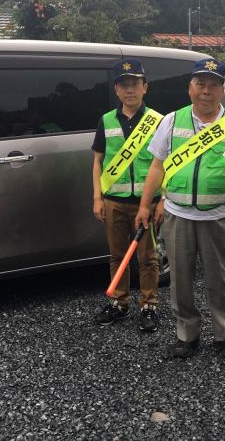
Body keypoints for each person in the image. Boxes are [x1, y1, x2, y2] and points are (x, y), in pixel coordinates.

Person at [135, 58, 225, 361]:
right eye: (200, 83)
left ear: (222, 89)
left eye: (213, 84)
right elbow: (157, 165)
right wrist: (146, 204)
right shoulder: (171, 120)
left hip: (219, 215)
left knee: (220, 278)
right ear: (190, 87)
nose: (206, 90)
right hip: (177, 214)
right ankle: (187, 335)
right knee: (180, 279)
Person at [92, 59, 164, 332]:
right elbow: (98, 161)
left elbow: (167, 162)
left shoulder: (158, 121)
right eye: (124, 85)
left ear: (145, 87)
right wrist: (97, 197)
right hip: (114, 201)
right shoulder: (106, 120)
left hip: (146, 203)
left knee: (148, 258)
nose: (130, 90)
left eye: (135, 84)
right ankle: (119, 303)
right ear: (117, 90)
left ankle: (149, 305)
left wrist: (163, 199)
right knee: (116, 254)